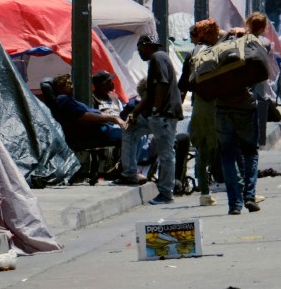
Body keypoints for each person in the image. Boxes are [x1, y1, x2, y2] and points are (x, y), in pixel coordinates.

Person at [213, 13, 272, 216]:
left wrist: (229, 34)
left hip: (221, 107)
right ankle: (249, 196)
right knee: (250, 153)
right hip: (246, 107)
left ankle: (234, 204)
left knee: (228, 155)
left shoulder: (223, 46)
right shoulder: (257, 44)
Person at [118, 35, 183, 205]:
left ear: (145, 46)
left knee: (166, 154)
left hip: (163, 115)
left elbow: (161, 84)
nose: (139, 53)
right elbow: (149, 94)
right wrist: (135, 112)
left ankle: (166, 193)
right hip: (158, 115)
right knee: (129, 130)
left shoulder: (157, 57)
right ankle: (129, 173)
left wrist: (155, 110)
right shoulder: (158, 59)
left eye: (139, 48)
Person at [178, 19, 221, 207]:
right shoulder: (220, 52)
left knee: (202, 149)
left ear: (200, 35)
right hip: (221, 105)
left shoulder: (193, 54)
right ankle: (242, 192)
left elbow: (183, 85)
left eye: (192, 36)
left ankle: (204, 191)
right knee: (225, 147)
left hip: (202, 106)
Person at [52, 74, 128, 143]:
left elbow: (93, 112)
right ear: (60, 87)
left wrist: (115, 118)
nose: (72, 86)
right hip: (95, 131)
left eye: (71, 83)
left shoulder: (72, 101)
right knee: (131, 136)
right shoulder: (63, 99)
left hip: (106, 126)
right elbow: (82, 116)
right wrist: (112, 118)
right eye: (68, 84)